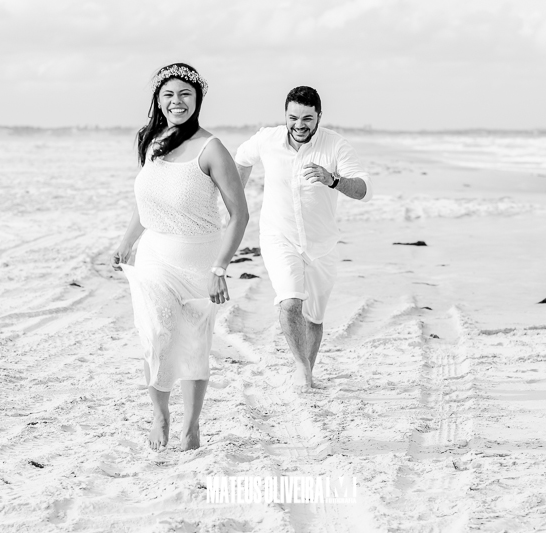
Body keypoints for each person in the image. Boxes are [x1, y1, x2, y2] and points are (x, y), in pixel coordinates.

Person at [111, 63, 249, 451]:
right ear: (158, 100)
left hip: (199, 261)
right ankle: (160, 414)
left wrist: (220, 268)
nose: (177, 101)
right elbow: (147, 202)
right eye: (169, 94)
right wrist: (125, 243)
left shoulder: (211, 149)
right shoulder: (152, 141)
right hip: (154, 256)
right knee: (156, 334)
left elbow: (239, 215)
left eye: (186, 94)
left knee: (194, 345)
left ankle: (191, 425)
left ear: (197, 100)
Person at [234, 86, 372, 390]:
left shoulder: (335, 145)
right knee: (289, 302)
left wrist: (332, 180)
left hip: (322, 244)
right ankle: (301, 368)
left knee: (314, 318)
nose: (299, 125)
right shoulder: (267, 139)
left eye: (307, 118)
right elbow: (241, 160)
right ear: (285, 115)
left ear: (319, 116)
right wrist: (236, 204)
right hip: (278, 236)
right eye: (293, 117)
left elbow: (364, 190)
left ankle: (307, 370)